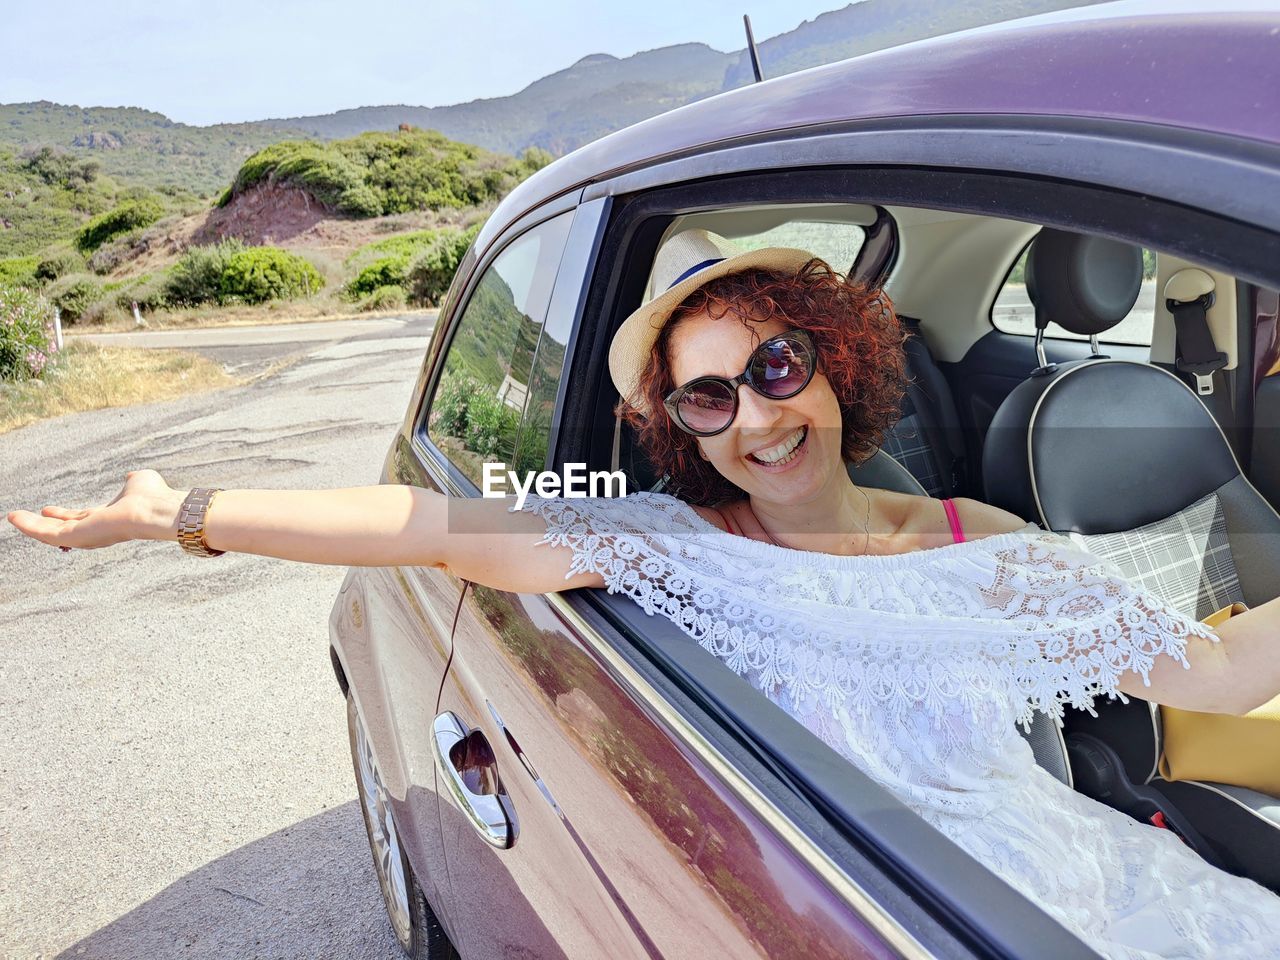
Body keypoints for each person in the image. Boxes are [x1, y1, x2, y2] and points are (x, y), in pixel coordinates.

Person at [8, 229, 1280, 958]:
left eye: (774, 366)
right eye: (706, 396)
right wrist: (176, 513)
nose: (756, 417)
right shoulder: (665, 546)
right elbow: (426, 521)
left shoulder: (979, 539)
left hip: (1080, 892)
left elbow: (1211, 677)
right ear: (678, 426)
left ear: (830, 363)